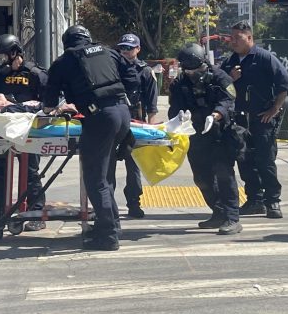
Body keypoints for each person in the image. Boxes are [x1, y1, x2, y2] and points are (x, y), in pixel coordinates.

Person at [42, 25, 133, 251]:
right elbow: (132, 76)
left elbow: (49, 100)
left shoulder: (64, 62)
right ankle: (112, 225)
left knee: (95, 179)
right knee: (105, 175)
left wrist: (55, 107)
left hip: (100, 118)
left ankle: (108, 236)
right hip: (123, 113)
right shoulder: (109, 51)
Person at [220, 21, 288, 219]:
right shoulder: (229, 62)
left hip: (262, 119)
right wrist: (229, 78)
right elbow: (218, 87)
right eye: (231, 38)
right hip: (239, 120)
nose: (233, 42)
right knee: (245, 161)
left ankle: (273, 201)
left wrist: (275, 109)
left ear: (249, 38)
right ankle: (254, 200)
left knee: (265, 161)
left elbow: (284, 83)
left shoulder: (264, 58)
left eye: (238, 38)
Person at [168, 43, 242, 235]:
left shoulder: (220, 78)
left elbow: (228, 100)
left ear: (205, 63)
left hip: (220, 133)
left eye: (197, 69)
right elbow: (174, 109)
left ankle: (232, 217)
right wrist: (177, 121)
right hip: (195, 135)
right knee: (201, 177)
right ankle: (217, 212)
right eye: (189, 70)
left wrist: (216, 114)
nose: (194, 74)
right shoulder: (180, 83)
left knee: (224, 175)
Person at [0, 34, 49, 231]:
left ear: (14, 53)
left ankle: (36, 214)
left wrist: (19, 107)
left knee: (30, 173)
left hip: (29, 131)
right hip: (2, 131)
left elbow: (48, 104)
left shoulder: (35, 74)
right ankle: (0, 212)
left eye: (1, 55)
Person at [116, 33, 159, 219]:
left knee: (133, 165)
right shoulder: (112, 68)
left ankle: (134, 202)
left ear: (138, 49)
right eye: (123, 48)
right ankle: (105, 204)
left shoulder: (145, 71)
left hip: (136, 121)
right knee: (106, 164)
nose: (126, 51)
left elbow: (152, 103)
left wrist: (150, 128)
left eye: (130, 48)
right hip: (114, 120)